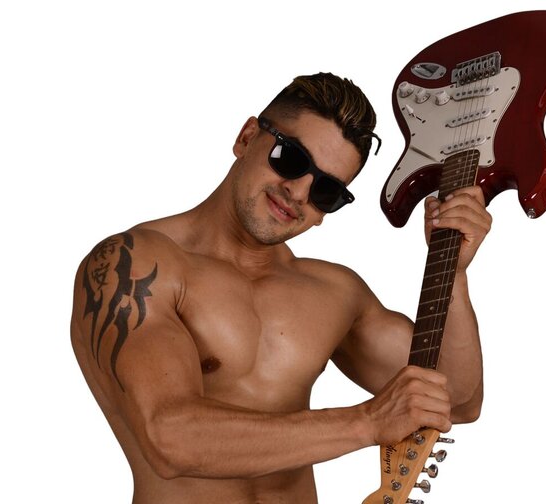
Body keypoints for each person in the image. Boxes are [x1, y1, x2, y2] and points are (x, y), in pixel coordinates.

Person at [70, 72, 491, 503]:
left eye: (326, 190)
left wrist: (455, 274)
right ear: (246, 137)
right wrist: (366, 422)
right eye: (290, 158)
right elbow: (169, 438)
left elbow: (457, 401)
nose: (299, 192)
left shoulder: (333, 293)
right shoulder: (136, 265)